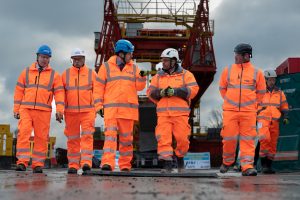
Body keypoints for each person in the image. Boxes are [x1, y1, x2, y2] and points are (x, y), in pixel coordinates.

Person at [13, 45, 64, 173]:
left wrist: (59, 110)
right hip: (26, 109)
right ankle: (22, 162)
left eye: (47, 58)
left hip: (44, 111)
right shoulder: (26, 72)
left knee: (41, 137)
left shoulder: (55, 76)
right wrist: (16, 109)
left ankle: (37, 164)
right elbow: (19, 91)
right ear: (37, 57)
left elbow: (59, 94)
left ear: (49, 59)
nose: (44, 60)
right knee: (23, 133)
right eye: (42, 57)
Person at [147, 48, 199, 173]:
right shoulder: (158, 76)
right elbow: (150, 93)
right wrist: (161, 93)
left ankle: (180, 158)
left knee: (182, 139)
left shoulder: (186, 75)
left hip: (180, 114)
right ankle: (167, 164)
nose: (163, 63)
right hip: (163, 114)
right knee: (163, 139)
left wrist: (175, 92)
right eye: (163, 60)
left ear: (174, 61)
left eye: (166, 60)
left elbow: (194, 90)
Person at [97, 39, 146, 171]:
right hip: (111, 110)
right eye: (130, 53)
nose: (132, 56)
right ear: (121, 54)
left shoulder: (135, 68)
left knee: (127, 140)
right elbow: (98, 88)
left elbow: (140, 87)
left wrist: (142, 77)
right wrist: (98, 106)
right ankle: (107, 163)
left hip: (127, 112)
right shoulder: (106, 67)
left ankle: (125, 165)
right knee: (110, 138)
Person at [219, 43, 266, 176]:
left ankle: (247, 166)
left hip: (249, 112)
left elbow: (261, 92)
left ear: (246, 56)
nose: (235, 57)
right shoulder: (227, 70)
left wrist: (252, 105)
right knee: (228, 137)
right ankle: (227, 162)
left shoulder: (258, 73)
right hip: (230, 111)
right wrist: (230, 101)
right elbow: (222, 89)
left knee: (248, 140)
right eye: (235, 54)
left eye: (237, 55)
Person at [62, 48, 102, 174]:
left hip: (88, 112)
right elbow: (60, 93)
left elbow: (97, 92)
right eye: (75, 59)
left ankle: (86, 163)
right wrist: (60, 109)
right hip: (70, 112)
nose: (77, 61)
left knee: (87, 137)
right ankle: (73, 165)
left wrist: (98, 107)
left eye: (79, 59)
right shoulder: (65, 74)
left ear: (84, 59)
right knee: (72, 139)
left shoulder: (92, 74)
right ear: (72, 60)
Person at [258, 69, 289, 174]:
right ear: (265, 80)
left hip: (275, 122)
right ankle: (263, 166)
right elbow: (253, 105)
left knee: (272, 144)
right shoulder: (260, 92)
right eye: (270, 80)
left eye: (273, 80)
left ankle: (268, 167)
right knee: (264, 139)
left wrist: (285, 117)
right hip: (263, 121)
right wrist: (258, 112)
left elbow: (284, 106)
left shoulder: (280, 93)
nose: (272, 81)